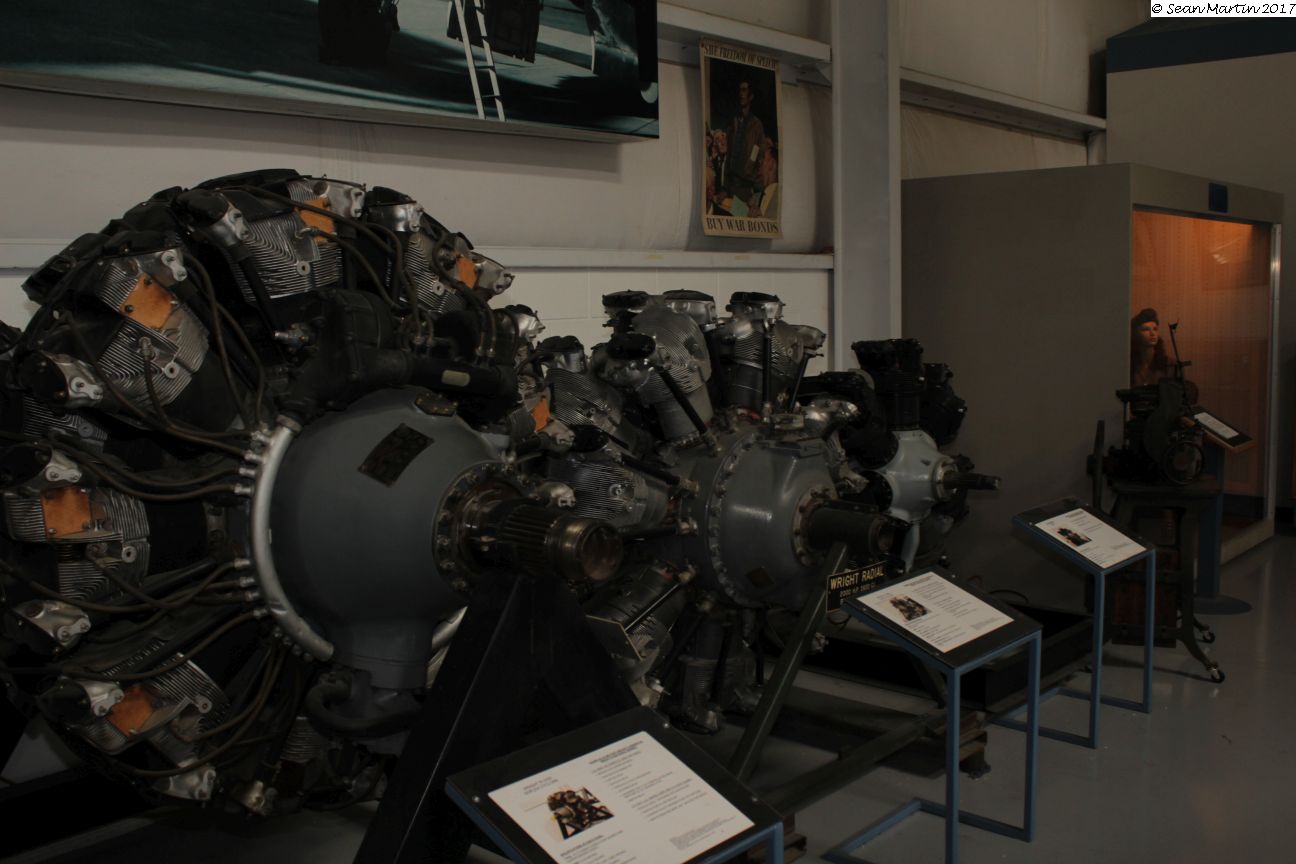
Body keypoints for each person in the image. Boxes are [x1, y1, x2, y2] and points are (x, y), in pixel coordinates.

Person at [728, 80, 766, 203]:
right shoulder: (734, 121)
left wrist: (755, 190)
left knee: (741, 211)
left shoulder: (756, 125)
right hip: (731, 185)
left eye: (744, 90)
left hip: (746, 187)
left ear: (751, 96)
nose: (741, 94)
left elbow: (760, 156)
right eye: (740, 90)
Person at [1130, 307, 1172, 386]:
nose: (1152, 333)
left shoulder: (1169, 364)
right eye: (1146, 329)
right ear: (1136, 334)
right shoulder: (1129, 363)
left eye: (1155, 329)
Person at [750, 141, 779, 219]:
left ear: (772, 164)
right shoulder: (757, 197)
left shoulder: (780, 197)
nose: (760, 162)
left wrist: (760, 218)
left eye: (763, 158)